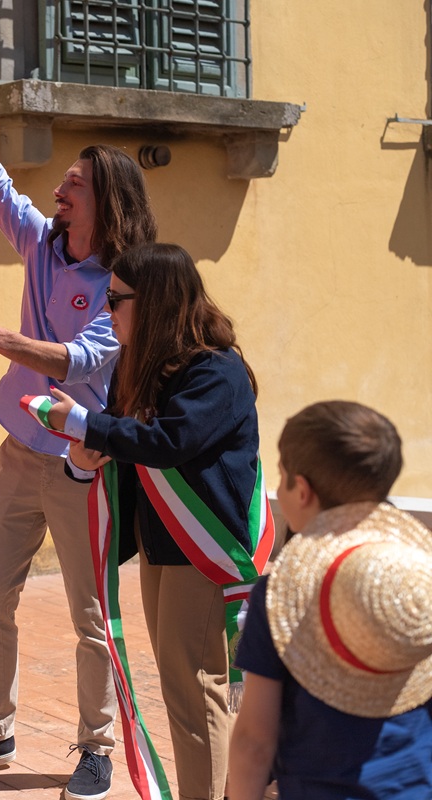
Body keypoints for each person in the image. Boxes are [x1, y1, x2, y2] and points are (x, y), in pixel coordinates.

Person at [0, 50, 157, 800]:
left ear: (105, 201)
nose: (58, 192)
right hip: (20, 452)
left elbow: (83, 361)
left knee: (90, 618)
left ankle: (96, 747)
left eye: (74, 187)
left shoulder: (126, 281)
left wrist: (0, 340)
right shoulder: (42, 244)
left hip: (84, 463)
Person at [45, 242, 273, 800]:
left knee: (196, 692)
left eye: (116, 299)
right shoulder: (146, 366)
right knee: (184, 689)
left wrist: (84, 425)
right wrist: (82, 456)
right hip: (161, 545)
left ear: (156, 302)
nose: (106, 311)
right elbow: (124, 440)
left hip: (205, 549)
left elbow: (170, 442)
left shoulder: (216, 372)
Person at [228, 401, 432, 800]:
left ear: (301, 490)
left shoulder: (283, 597)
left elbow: (254, 740)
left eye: (282, 476)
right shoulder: (420, 582)